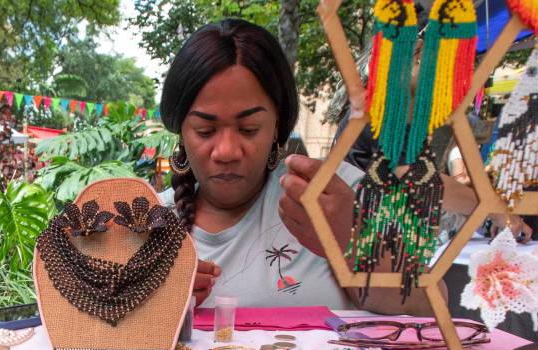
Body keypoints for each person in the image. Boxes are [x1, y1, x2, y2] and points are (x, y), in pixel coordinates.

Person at [160, 19, 476, 311]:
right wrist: (147, 312)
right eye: (205, 130)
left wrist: (353, 243)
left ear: (277, 126)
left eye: (249, 129)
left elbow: (430, 307)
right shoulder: (146, 222)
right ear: (181, 132)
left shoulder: (331, 193)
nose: (226, 151)